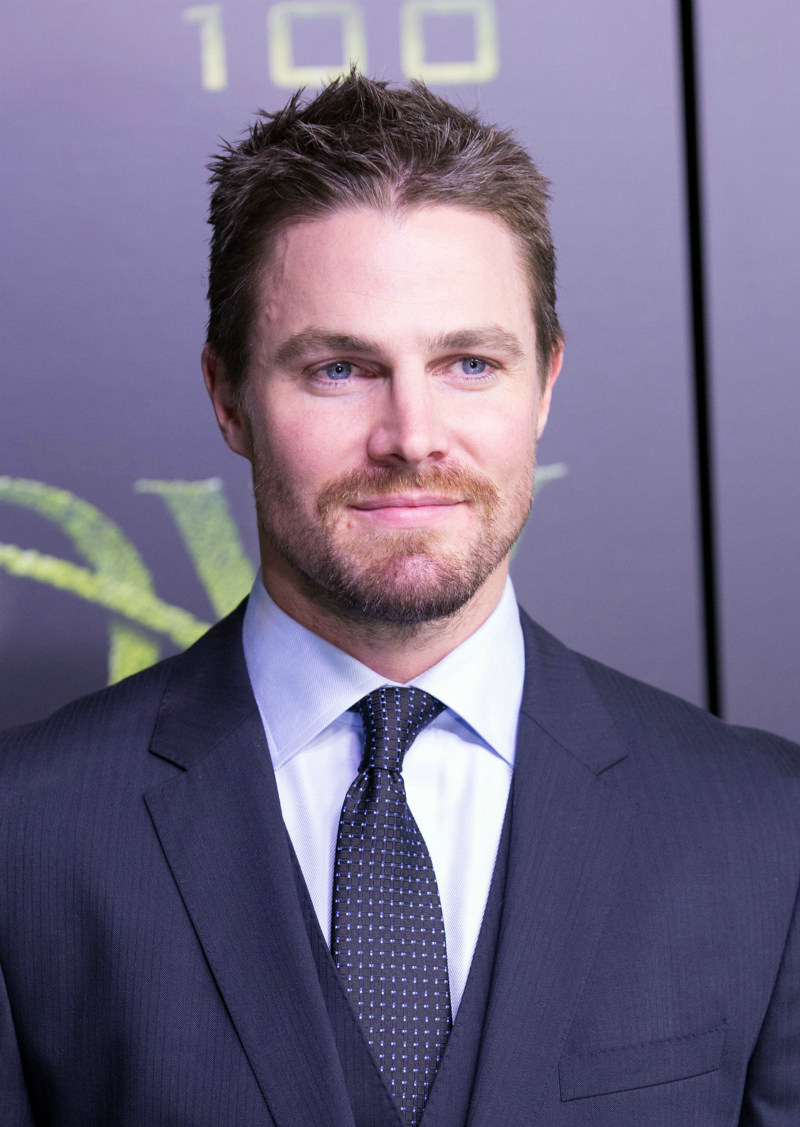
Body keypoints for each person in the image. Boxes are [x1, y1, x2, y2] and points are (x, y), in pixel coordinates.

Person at [1, 75, 798, 1127]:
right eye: (339, 369)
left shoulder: (765, 826)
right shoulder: (23, 831)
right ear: (227, 397)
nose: (412, 436)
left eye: (469, 362)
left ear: (545, 383)